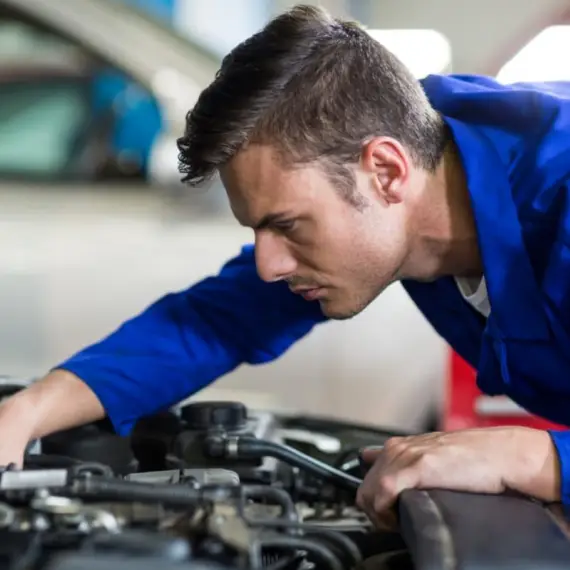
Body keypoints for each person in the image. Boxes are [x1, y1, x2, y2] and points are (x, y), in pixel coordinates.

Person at [2, 4, 570, 528]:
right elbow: (218, 320)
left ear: (387, 172)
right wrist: (27, 411)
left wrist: (538, 456)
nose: (268, 265)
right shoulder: (421, 154)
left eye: (288, 225)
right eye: (257, 230)